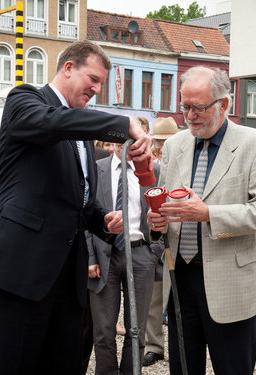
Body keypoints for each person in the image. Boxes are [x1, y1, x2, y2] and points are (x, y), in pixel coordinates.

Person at [0, 40, 151, 375]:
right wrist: (123, 123)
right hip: (20, 271)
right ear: (68, 68)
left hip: (68, 281)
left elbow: (76, 202)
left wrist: (102, 220)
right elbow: (50, 123)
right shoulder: (25, 100)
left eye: (101, 84)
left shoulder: (81, 130)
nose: (97, 90)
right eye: (93, 79)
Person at [148, 66, 256, 375]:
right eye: (184, 107)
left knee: (233, 367)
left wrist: (208, 214)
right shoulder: (174, 145)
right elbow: (168, 206)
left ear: (224, 104)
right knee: (182, 366)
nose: (189, 116)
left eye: (198, 107)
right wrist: (158, 222)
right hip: (180, 278)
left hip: (229, 280)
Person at [88, 143, 161, 374]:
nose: (127, 144)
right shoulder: (96, 168)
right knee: (103, 330)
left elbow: (163, 211)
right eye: (121, 139)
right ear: (113, 143)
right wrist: (90, 257)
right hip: (104, 254)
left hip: (140, 254)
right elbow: (86, 213)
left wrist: (154, 251)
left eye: (133, 139)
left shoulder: (152, 171)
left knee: (136, 328)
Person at [143, 116, 178, 367]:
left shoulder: (184, 164)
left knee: (178, 297)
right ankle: (154, 346)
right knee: (154, 298)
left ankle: (179, 345)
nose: (161, 147)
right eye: (159, 142)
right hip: (154, 239)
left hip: (178, 238)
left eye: (166, 142)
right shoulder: (151, 167)